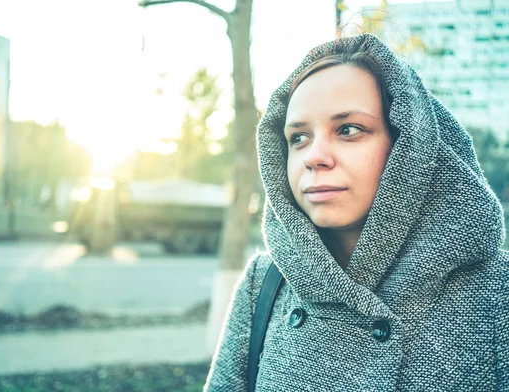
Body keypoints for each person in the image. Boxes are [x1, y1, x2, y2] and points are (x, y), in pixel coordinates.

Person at [204, 33, 508, 391]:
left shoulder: (497, 293)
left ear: (412, 148)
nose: (314, 156)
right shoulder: (265, 283)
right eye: (298, 137)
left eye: (348, 130)